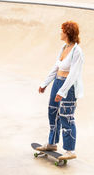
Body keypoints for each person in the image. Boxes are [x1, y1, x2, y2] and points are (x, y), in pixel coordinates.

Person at [37, 20, 84, 160]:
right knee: (52, 112)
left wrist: (62, 92)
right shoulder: (64, 47)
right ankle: (51, 143)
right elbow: (56, 67)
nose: (60, 32)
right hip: (57, 82)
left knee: (66, 117)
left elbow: (73, 74)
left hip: (68, 88)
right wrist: (45, 83)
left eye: (62, 30)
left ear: (67, 32)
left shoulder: (77, 51)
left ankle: (70, 150)